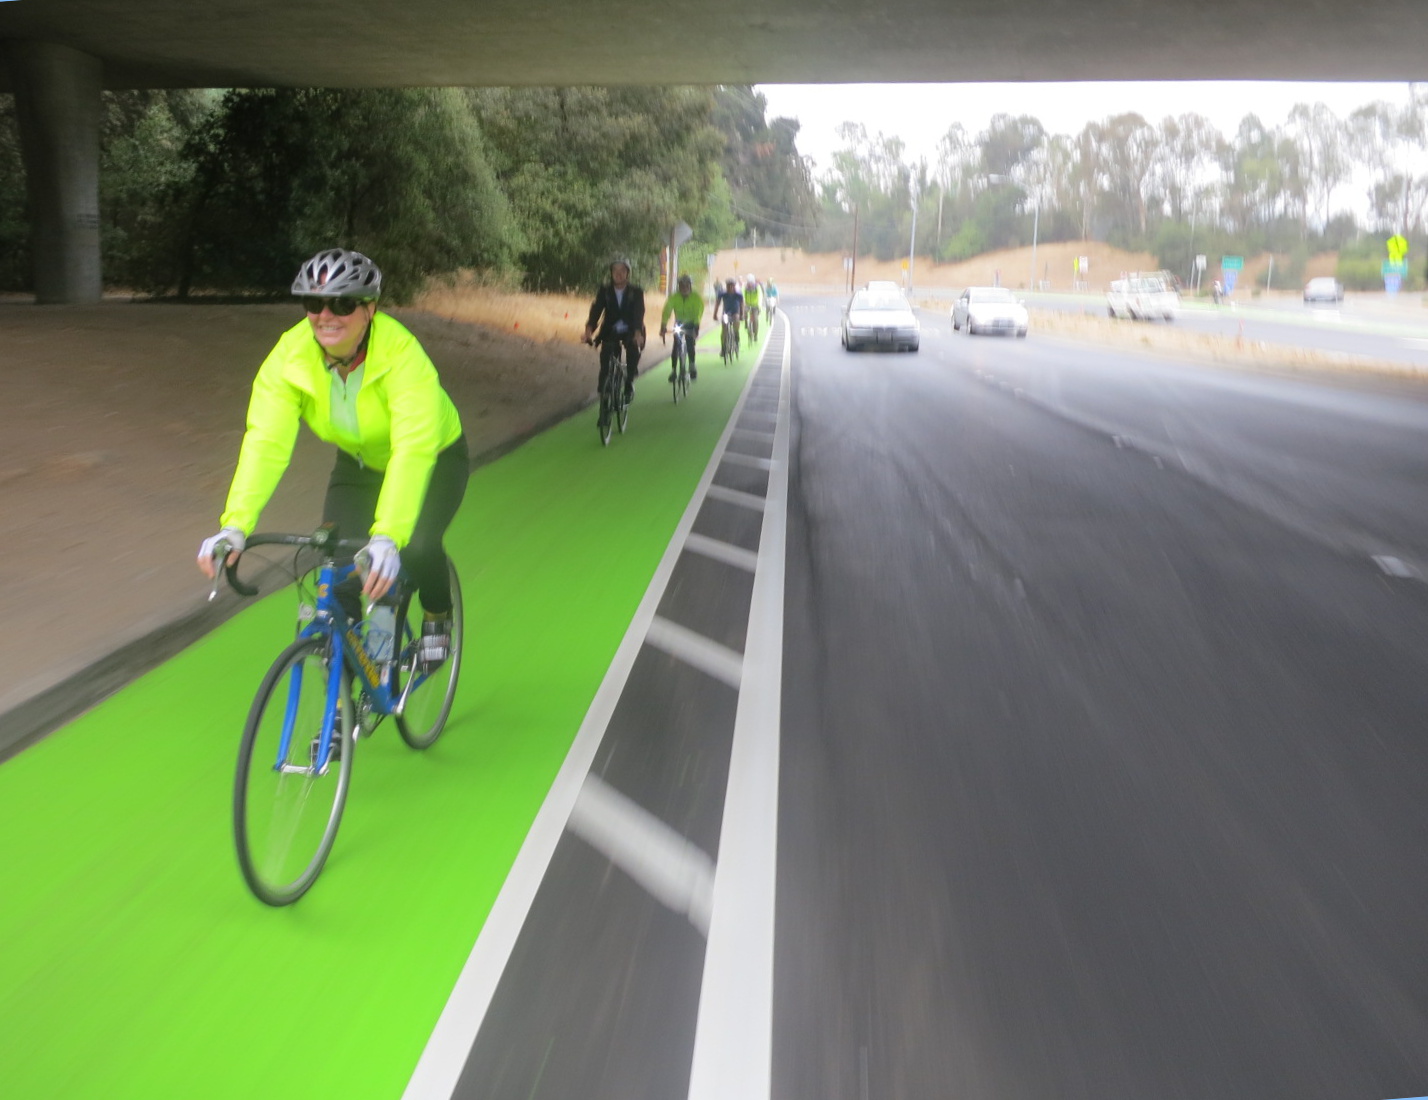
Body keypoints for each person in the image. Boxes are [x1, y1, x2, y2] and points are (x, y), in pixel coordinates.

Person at [197, 248, 468, 665]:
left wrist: (387, 536)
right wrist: (234, 525)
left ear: (369, 309)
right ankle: (346, 681)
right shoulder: (289, 357)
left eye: (342, 304)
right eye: (314, 303)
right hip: (357, 464)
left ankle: (437, 613)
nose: (326, 315)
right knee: (338, 570)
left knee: (416, 546)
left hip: (435, 457)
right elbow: (266, 442)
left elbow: (412, 448)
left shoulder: (402, 355)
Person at [582, 257, 645, 404]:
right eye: (615, 270)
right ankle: (604, 394)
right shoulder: (605, 291)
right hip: (610, 330)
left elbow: (639, 313)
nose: (618, 274)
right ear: (611, 273)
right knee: (606, 358)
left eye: (622, 270)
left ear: (627, 273)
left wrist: (637, 334)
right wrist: (588, 331)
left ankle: (629, 382)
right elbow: (596, 311)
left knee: (633, 349)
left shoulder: (636, 292)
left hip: (631, 329)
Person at [659, 273, 703, 381]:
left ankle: (692, 366)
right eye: (681, 286)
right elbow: (667, 311)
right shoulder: (674, 297)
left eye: (686, 285)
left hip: (691, 323)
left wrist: (696, 327)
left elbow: (698, 313)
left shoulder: (696, 298)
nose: (684, 288)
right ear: (678, 286)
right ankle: (673, 371)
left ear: (690, 286)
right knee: (676, 346)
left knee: (690, 343)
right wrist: (663, 326)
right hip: (679, 324)